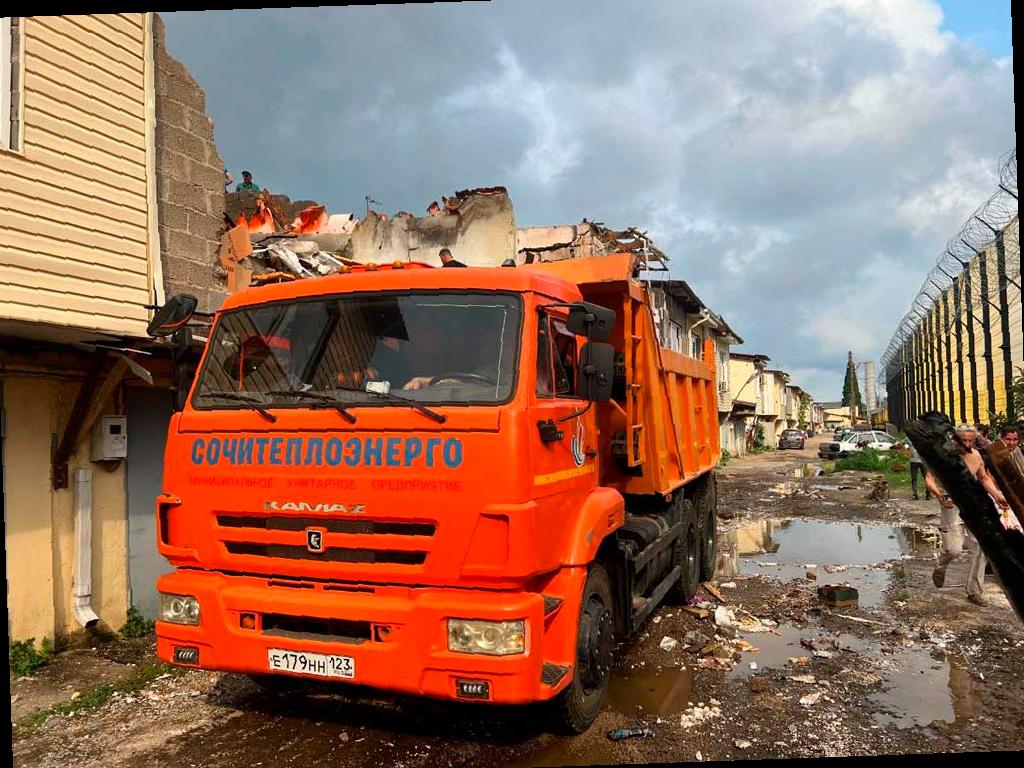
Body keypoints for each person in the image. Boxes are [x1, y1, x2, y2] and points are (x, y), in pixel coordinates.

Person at [925, 423, 1011, 606]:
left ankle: (974, 590)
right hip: (951, 504)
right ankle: (941, 565)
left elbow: (984, 478)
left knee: (982, 546)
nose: (967, 444)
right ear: (954, 440)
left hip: (973, 504)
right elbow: (929, 479)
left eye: (971, 440)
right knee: (953, 549)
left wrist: (997, 496)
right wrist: (940, 497)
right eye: (963, 440)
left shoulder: (976, 456)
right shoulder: (944, 456)